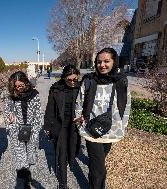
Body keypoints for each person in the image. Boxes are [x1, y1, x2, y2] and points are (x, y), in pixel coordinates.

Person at [76, 48, 131, 189]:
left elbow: (126, 105)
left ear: (114, 62)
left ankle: (92, 182)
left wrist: (122, 126)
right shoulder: (89, 80)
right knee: (99, 169)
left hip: (111, 130)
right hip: (91, 130)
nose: (102, 65)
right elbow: (79, 102)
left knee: (96, 164)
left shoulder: (121, 81)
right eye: (99, 62)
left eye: (107, 61)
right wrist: (79, 122)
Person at [44, 65, 81, 189]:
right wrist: (48, 126)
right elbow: (50, 108)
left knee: (73, 149)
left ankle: (70, 162)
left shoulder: (81, 88)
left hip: (74, 126)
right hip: (60, 126)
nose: (72, 82)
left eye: (74, 79)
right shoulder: (56, 89)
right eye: (69, 80)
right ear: (64, 78)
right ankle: (63, 183)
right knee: (61, 152)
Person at [3, 71, 42, 189]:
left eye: (20, 85)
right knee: (20, 155)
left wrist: (35, 130)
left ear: (26, 82)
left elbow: (38, 114)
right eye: (15, 86)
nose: (18, 88)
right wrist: (10, 117)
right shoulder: (10, 95)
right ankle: (24, 178)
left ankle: (27, 170)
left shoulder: (34, 94)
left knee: (30, 153)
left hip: (31, 128)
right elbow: (7, 111)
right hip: (17, 130)